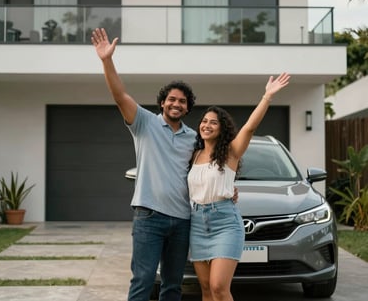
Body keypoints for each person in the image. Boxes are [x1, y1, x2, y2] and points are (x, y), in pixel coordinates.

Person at [91, 27, 197, 301]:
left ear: (187, 108)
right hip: (149, 216)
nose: (176, 104)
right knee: (143, 280)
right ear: (162, 103)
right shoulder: (145, 124)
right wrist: (106, 60)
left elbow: (214, 166)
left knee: (173, 285)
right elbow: (119, 95)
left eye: (182, 102)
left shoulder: (194, 138)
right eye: (171, 99)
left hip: (183, 219)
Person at [187, 73, 290, 301]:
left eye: (213, 122)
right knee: (205, 288)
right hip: (196, 223)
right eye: (204, 121)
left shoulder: (231, 152)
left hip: (224, 222)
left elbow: (250, 127)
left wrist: (267, 96)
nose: (207, 125)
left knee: (219, 288)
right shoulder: (193, 155)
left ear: (222, 128)